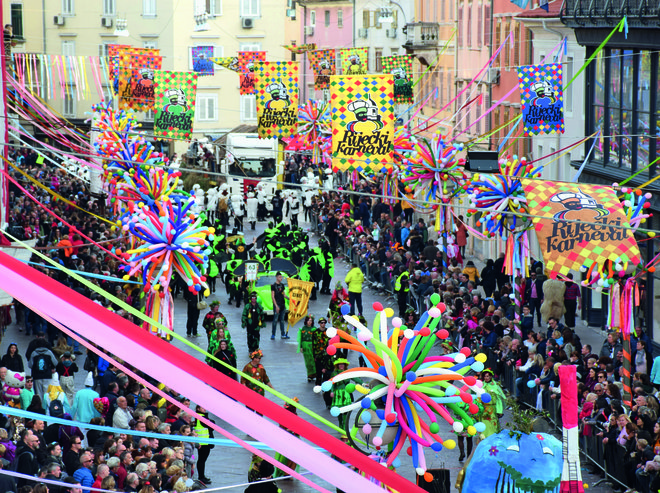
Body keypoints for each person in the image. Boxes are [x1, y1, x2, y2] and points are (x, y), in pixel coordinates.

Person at [477, 369, 506, 437]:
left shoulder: (496, 386)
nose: (486, 378)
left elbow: (499, 399)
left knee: (493, 425)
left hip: (492, 409)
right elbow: (478, 398)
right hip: (483, 409)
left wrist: (499, 410)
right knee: (484, 425)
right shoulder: (480, 385)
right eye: (485, 376)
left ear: (490, 377)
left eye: (488, 376)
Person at [193, 406, 214, 484]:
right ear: (198, 409)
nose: (204, 408)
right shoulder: (201, 417)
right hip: (203, 443)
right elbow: (211, 425)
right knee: (202, 460)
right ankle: (201, 477)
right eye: (202, 408)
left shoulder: (200, 416)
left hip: (204, 442)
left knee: (202, 460)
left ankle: (202, 476)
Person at [297, 316, 318, 382]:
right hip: (305, 346)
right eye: (308, 320)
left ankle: (316, 374)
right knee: (307, 361)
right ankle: (310, 375)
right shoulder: (303, 328)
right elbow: (301, 338)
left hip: (312, 346)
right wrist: (301, 347)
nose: (309, 322)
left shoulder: (314, 329)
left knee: (313, 360)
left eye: (311, 321)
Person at [270, 272, 289, 340]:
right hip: (277, 305)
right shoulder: (273, 286)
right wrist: (276, 306)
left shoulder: (282, 285)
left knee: (282, 320)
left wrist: (289, 298)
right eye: (280, 277)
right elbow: (273, 297)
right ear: (277, 277)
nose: (281, 278)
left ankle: (283, 334)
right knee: (275, 320)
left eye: (281, 277)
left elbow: (284, 294)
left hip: (282, 304)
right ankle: (273, 334)